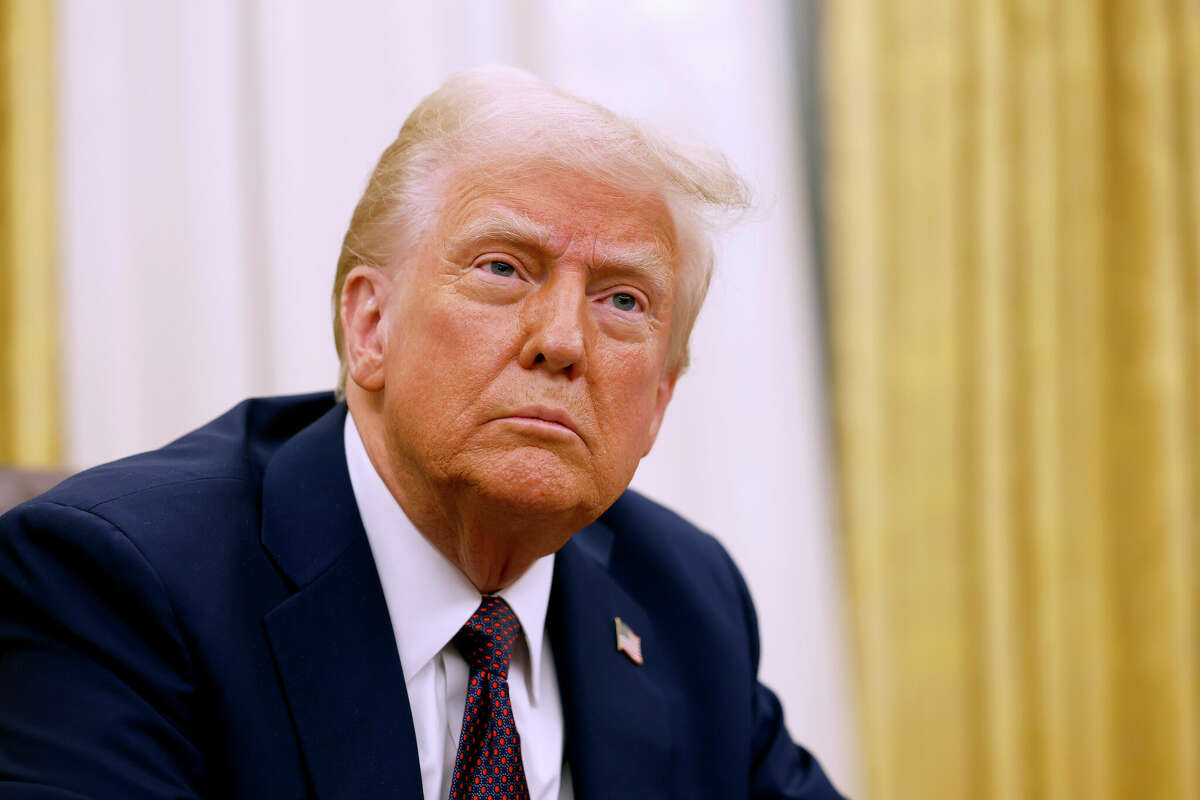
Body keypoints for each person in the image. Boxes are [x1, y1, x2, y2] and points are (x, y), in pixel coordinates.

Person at [0, 67, 844, 799]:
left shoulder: (684, 602)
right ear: (370, 326)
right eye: (504, 267)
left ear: (659, 399)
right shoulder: (118, 586)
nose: (562, 340)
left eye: (623, 300)